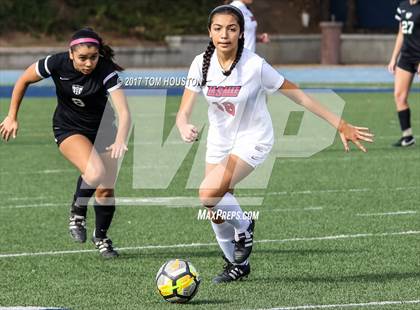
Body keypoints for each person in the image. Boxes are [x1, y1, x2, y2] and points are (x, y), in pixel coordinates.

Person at [176, 5, 373, 283]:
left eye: (232, 29)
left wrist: (340, 124)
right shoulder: (200, 63)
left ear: (241, 32)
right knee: (215, 208)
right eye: (218, 28)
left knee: (207, 193)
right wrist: (183, 124)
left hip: (253, 139)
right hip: (219, 141)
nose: (224, 35)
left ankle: (245, 227)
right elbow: (183, 110)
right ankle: (236, 265)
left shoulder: (255, 65)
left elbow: (300, 96)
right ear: (209, 32)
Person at [0, 28, 131, 258]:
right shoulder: (56, 63)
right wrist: (12, 116)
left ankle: (101, 238)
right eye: (82, 58)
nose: (89, 63)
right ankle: (77, 213)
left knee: (106, 190)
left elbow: (124, 111)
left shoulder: (106, 71)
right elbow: (23, 80)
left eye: (93, 57)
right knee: (95, 171)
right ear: (70, 54)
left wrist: (120, 138)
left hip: (103, 131)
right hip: (69, 128)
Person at [388, 0, 419, 147]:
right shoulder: (403, 6)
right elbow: (401, 33)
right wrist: (394, 57)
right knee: (399, 96)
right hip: (406, 57)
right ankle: (407, 137)